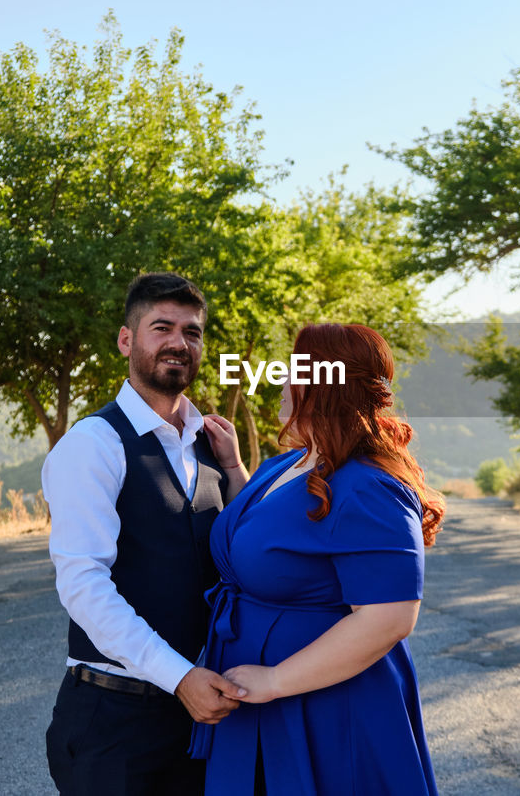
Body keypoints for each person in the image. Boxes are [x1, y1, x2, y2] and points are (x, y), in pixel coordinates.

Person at [190, 323, 445, 795]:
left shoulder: (371, 487)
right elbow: (273, 537)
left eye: (293, 370)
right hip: (261, 697)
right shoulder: (292, 463)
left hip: (325, 706)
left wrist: (275, 680)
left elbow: (390, 618)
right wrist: (232, 468)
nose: (283, 379)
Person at [43, 272, 250, 795]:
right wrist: (180, 676)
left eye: (193, 332)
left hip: (200, 721)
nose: (180, 342)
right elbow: (83, 585)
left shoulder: (210, 445)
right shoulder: (94, 442)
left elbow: (246, 554)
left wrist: (235, 471)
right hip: (117, 722)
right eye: (162, 327)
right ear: (126, 340)